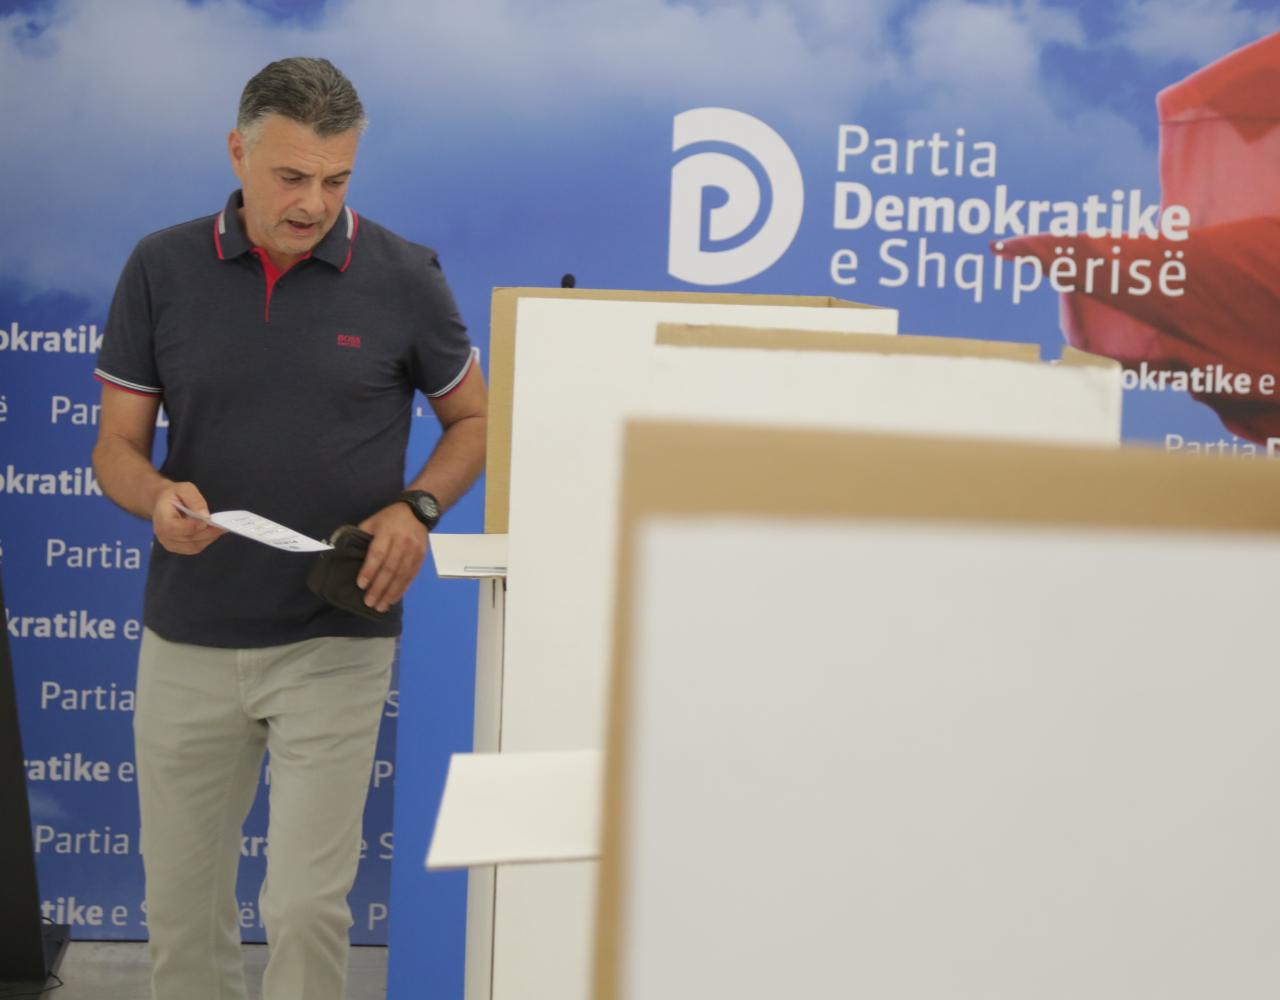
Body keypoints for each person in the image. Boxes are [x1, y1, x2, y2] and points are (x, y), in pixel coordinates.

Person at [91, 57, 486, 1000]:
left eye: (337, 179)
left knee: (308, 908)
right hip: (189, 636)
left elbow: (475, 419)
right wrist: (155, 498)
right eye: (292, 176)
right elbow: (115, 448)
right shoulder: (160, 266)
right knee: (183, 910)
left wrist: (419, 507)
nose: (314, 203)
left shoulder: (406, 275)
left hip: (335, 635)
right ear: (238, 152)